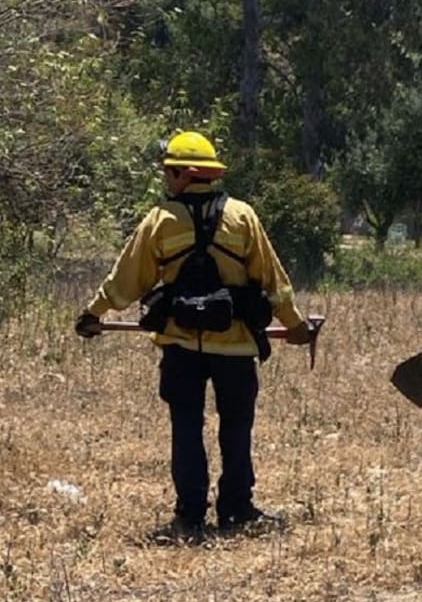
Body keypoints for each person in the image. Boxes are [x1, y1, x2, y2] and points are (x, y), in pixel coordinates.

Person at [74, 131, 312, 540]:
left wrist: (94, 313)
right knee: (236, 426)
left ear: (185, 174)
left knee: (185, 426)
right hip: (235, 347)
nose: (166, 178)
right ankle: (237, 509)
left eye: (169, 171)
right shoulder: (242, 216)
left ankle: (190, 516)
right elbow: (273, 280)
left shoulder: (160, 220)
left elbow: (126, 278)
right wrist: (295, 325)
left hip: (181, 346)